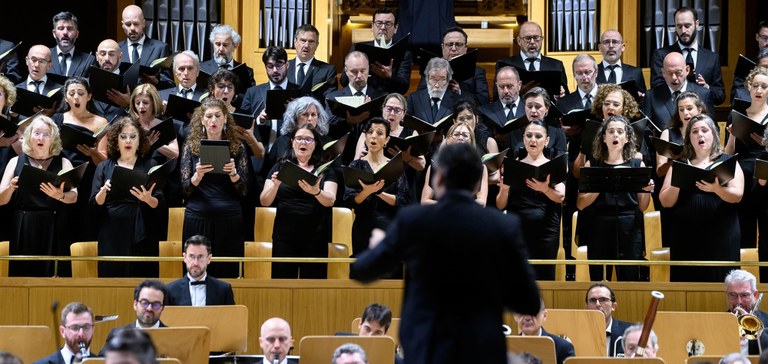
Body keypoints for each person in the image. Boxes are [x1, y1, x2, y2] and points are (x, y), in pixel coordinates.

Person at [351, 142, 541, 364]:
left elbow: (363, 270)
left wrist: (379, 246)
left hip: (427, 348)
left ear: (439, 178)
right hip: (481, 350)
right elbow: (529, 303)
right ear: (476, 183)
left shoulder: (413, 220)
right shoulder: (502, 226)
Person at [659, 114, 743, 282]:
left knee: (721, 281)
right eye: (695, 132)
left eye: (705, 130)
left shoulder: (727, 161)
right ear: (689, 138)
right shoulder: (679, 164)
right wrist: (679, 179)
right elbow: (665, 201)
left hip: (721, 235)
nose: (700, 135)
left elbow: (737, 196)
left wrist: (716, 189)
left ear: (713, 134)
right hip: (685, 236)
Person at [577, 115, 654, 281]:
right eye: (611, 131)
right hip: (599, 225)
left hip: (629, 225)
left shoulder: (636, 164)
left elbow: (642, 207)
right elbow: (581, 204)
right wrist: (602, 184)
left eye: (620, 132)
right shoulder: (593, 165)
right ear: (604, 137)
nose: (615, 135)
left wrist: (647, 190)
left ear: (627, 138)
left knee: (629, 278)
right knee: (598, 277)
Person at [0, 116, 76, 277]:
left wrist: (60, 195)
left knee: (53, 276)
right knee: (23, 275)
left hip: (53, 226)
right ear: (29, 136)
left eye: (46, 134)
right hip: (23, 225)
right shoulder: (15, 161)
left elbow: (74, 197)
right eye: (37, 133)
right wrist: (10, 188)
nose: (41, 138)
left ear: (53, 138)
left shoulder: (63, 163)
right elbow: (1, 200)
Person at [181, 98, 249, 278]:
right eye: (209, 116)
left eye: (218, 116)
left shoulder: (237, 148)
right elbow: (184, 190)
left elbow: (244, 191)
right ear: (202, 120)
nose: (213, 120)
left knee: (227, 274)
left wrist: (234, 174)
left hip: (229, 218)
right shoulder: (191, 147)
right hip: (198, 216)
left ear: (225, 118)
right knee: (196, 272)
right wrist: (197, 176)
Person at [260, 124, 337, 278]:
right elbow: (264, 201)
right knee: (282, 284)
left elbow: (330, 200)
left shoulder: (325, 169)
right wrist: (275, 186)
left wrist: (316, 192)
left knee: (313, 287)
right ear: (292, 142)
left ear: (315, 144)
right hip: (284, 236)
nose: (303, 143)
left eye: (308, 139)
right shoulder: (280, 166)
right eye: (299, 139)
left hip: (316, 236)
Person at [91, 117, 161, 277]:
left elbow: (160, 203)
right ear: (116, 141)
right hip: (111, 232)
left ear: (140, 140)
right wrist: (102, 193)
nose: (128, 141)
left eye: (133, 136)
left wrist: (148, 198)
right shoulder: (103, 167)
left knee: (142, 280)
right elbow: (94, 205)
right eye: (123, 136)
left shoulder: (150, 165)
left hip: (142, 230)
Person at [497, 119, 565, 280]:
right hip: (518, 230)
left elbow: (561, 196)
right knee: (518, 278)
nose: (533, 140)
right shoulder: (513, 165)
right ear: (523, 139)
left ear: (546, 141)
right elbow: (500, 204)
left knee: (545, 278)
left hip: (546, 232)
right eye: (528, 135)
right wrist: (504, 190)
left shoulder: (553, 165)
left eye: (538, 136)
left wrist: (545, 189)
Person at [344, 118, 409, 259]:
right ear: (366, 137)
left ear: (387, 140)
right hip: (363, 227)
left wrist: (379, 193)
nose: (373, 136)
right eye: (370, 132)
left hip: (388, 226)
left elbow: (402, 200)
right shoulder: (356, 165)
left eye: (379, 133)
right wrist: (366, 191)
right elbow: (349, 200)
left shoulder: (395, 166)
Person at [54, 77, 108, 246]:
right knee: (63, 228)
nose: (76, 97)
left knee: (86, 226)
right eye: (71, 93)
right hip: (65, 179)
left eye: (80, 93)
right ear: (65, 97)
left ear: (89, 96)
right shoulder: (57, 119)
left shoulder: (101, 122)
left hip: (89, 179)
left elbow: (104, 161)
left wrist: (93, 153)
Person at [725, 67, 768, 258]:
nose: (759, 90)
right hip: (742, 175)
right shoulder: (737, 114)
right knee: (744, 228)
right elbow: (728, 153)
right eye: (755, 85)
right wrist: (732, 136)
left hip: (766, 173)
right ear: (748, 87)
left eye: (764, 86)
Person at [650, 7, 725, 105]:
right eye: (679, 26)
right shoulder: (661, 55)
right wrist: (683, 81)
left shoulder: (712, 58)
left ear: (697, 24)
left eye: (687, 25)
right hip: (671, 114)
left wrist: (706, 87)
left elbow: (720, 96)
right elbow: (656, 90)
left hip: (702, 116)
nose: (683, 31)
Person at [327, 51, 387, 165]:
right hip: (341, 158)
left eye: (363, 71)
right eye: (354, 71)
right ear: (346, 70)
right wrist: (348, 121)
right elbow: (327, 124)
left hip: (373, 159)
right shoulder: (333, 97)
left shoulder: (381, 97)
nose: (359, 76)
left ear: (368, 69)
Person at [240, 46, 299, 160]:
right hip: (260, 157)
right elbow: (243, 125)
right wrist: (259, 120)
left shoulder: (299, 92)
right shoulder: (252, 93)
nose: (275, 70)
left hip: (290, 156)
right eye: (270, 66)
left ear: (287, 65)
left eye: (279, 64)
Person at [644, 52, 716, 139]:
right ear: (663, 72)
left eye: (678, 72)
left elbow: (713, 128)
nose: (674, 77)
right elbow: (646, 130)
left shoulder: (704, 94)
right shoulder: (651, 96)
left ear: (687, 70)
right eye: (669, 73)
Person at [343, 7, 413, 95]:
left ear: (395, 28)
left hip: (389, 101)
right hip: (363, 98)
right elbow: (343, 81)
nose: (383, 27)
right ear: (372, 26)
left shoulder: (405, 53)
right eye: (379, 23)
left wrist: (390, 76)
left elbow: (404, 88)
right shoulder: (358, 48)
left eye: (388, 24)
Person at [263, 96, 332, 183]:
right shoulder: (282, 141)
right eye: (305, 114)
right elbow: (269, 170)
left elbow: (335, 172)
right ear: (295, 118)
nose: (310, 119)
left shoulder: (327, 142)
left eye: (313, 115)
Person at [416, 26, 489, 105]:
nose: (454, 48)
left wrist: (460, 93)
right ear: (442, 47)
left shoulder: (478, 72)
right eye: (449, 44)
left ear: (466, 47)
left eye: (458, 44)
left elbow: (483, 102)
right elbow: (418, 98)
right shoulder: (431, 69)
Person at [421, 122, 489, 206]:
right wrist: (453, 205)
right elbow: (425, 201)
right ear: (448, 140)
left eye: (465, 135)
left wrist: (453, 205)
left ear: (471, 141)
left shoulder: (480, 168)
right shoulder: (435, 167)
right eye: (456, 134)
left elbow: (482, 202)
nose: (460, 138)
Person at [495, 21, 569, 98]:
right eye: (528, 38)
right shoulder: (505, 65)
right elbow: (496, 97)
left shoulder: (556, 65)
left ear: (542, 40)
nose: (532, 42)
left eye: (536, 38)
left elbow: (566, 98)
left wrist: (562, 95)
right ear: (519, 41)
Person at [166, 234, 236, 306]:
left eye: (200, 257)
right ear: (184, 257)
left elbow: (231, 316)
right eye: (191, 256)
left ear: (209, 259)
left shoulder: (223, 289)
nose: (196, 263)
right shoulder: (170, 290)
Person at [102, 279, 168, 351]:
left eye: (156, 305)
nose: (149, 308)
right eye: (144, 303)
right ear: (135, 304)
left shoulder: (172, 336)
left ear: (162, 308)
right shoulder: (117, 334)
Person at [119, 4, 173, 89]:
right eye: (128, 24)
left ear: (143, 23)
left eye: (136, 24)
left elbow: (170, 85)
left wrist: (156, 82)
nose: (132, 28)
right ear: (122, 25)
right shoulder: (117, 49)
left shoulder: (160, 48)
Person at [199, 24, 255, 96]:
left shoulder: (247, 72)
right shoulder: (201, 68)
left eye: (225, 45)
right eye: (218, 44)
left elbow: (251, 98)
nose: (221, 49)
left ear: (235, 46)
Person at [513, 299, 575, 364]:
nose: (527, 318)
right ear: (515, 316)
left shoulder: (563, 348)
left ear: (544, 315)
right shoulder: (508, 346)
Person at [724, 269, 768, 355]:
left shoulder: (767, 321)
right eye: (733, 295)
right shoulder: (716, 322)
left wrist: (753, 327)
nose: (739, 301)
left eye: (744, 295)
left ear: (755, 295)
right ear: (727, 295)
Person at [288, 24, 337, 98]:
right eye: (303, 40)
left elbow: (329, 99)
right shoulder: (284, 67)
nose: (306, 45)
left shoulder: (328, 70)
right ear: (295, 41)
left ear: (317, 45)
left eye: (311, 42)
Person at [596, 29, 647, 99]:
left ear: (622, 47)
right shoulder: (591, 73)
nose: (611, 46)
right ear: (600, 48)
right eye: (606, 42)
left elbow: (644, 101)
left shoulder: (636, 72)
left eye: (615, 42)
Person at [584, 283, 632, 356]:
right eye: (593, 300)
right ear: (586, 307)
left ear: (613, 306)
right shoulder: (577, 332)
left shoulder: (630, 333)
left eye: (603, 299)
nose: (597, 304)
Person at [406, 57, 458, 124]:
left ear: (448, 80)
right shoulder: (414, 98)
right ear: (427, 79)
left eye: (442, 80)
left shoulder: (456, 100)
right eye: (433, 79)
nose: (437, 85)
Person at [17, 45, 62, 117]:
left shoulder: (60, 91)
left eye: (41, 61)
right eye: (33, 60)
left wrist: (52, 115)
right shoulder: (14, 89)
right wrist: (11, 114)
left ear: (49, 65)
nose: (36, 65)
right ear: (27, 61)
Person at [48, 12, 95, 79]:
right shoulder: (44, 56)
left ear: (77, 34)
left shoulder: (89, 60)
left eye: (70, 29)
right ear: (54, 33)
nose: (65, 33)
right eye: (61, 28)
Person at [93, 39, 131, 120]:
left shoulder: (132, 82)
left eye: (111, 54)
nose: (106, 58)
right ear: (97, 56)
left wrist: (128, 105)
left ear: (120, 56)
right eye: (102, 54)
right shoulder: (87, 83)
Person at [732, 20, 768, 102]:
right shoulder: (746, 64)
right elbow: (736, 96)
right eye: (765, 38)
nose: (767, 42)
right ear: (757, 37)